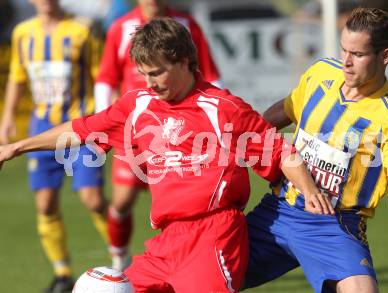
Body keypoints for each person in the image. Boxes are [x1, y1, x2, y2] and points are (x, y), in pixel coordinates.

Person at [0, 17, 330, 293]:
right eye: (144, 73)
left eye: (157, 72)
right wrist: (17, 147)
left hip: (213, 237)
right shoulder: (138, 104)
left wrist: (312, 192)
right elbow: (82, 129)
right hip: (165, 244)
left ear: (185, 61)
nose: (150, 83)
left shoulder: (224, 110)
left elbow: (280, 152)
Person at [243, 7, 388, 293]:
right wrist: (247, 135)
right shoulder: (321, 73)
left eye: (358, 55)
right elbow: (289, 107)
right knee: (201, 276)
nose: (347, 62)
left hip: (334, 226)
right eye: (344, 51)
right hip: (280, 210)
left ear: (385, 56)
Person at [94, 0, 222, 270]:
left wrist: (216, 120)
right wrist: (105, 123)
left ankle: (182, 261)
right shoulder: (121, 27)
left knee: (177, 204)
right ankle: (118, 260)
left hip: (179, 131)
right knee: (121, 201)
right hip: (135, 131)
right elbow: (106, 77)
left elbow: (209, 73)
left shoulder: (186, 25)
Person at [0, 0, 108, 292]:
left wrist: (105, 119)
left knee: (92, 199)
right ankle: (62, 274)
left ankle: (119, 259)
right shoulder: (23, 32)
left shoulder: (82, 30)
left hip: (81, 129)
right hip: (41, 129)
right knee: (45, 204)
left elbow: (102, 77)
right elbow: (17, 77)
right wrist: (7, 117)